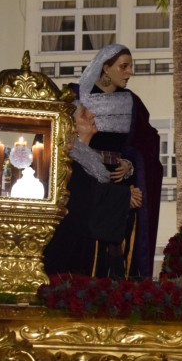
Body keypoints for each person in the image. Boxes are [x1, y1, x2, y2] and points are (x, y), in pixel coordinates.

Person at [74, 44, 162, 279]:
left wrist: (131, 164)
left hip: (121, 183)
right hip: (85, 181)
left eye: (130, 66)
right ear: (106, 68)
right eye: (123, 66)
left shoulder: (133, 103)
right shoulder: (76, 96)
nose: (129, 72)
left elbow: (149, 143)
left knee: (120, 248)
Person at [44, 106, 143, 276]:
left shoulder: (90, 160)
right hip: (71, 244)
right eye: (84, 114)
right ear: (71, 126)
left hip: (91, 245)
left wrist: (124, 195)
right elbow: (81, 193)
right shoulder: (64, 159)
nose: (92, 115)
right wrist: (123, 196)